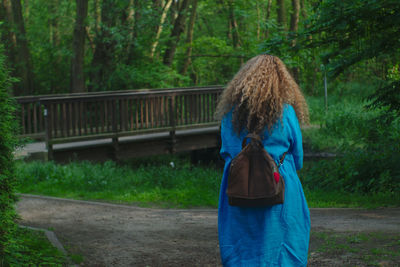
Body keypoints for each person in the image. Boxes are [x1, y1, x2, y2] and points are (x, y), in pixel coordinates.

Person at [215, 54, 310, 266]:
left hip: (238, 189)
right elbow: (298, 158)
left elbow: (225, 152)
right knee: (285, 244)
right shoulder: (285, 112)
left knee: (241, 248)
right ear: (281, 82)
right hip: (279, 185)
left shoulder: (230, 114)